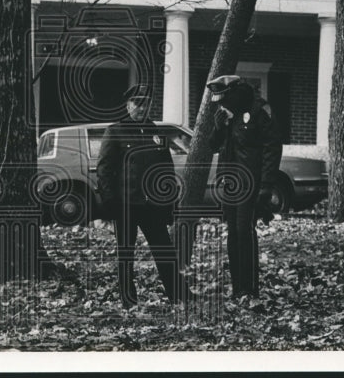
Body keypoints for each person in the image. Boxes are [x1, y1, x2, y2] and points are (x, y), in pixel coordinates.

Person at [96, 83, 192, 308]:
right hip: (126, 204)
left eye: (146, 103)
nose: (142, 108)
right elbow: (104, 170)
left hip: (152, 206)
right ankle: (129, 299)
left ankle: (179, 294)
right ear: (128, 105)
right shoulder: (115, 131)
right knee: (125, 255)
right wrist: (110, 203)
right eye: (137, 103)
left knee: (165, 251)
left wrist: (169, 203)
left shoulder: (156, 132)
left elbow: (166, 170)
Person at [206, 74, 283, 299]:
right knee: (233, 233)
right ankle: (237, 286)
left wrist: (266, 186)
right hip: (231, 183)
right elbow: (213, 145)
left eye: (224, 100)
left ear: (235, 95)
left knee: (244, 231)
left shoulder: (259, 110)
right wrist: (219, 127)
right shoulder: (226, 113)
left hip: (252, 182)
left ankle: (249, 289)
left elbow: (272, 148)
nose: (221, 105)